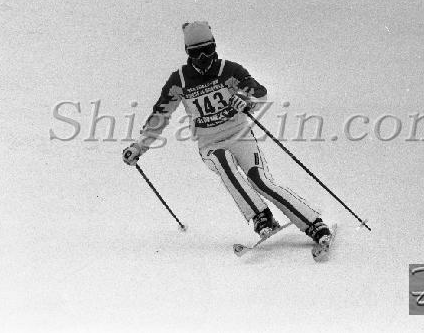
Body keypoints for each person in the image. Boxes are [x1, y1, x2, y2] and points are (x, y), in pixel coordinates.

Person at [122, 21, 332, 247]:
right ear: (187, 52)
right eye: (196, 53)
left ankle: (314, 223)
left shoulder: (229, 70)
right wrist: (138, 146)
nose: (203, 58)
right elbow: (160, 116)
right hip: (210, 144)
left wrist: (246, 101)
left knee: (260, 181)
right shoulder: (180, 80)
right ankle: (261, 216)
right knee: (223, 161)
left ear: (214, 46)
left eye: (208, 50)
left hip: (240, 136)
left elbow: (260, 93)